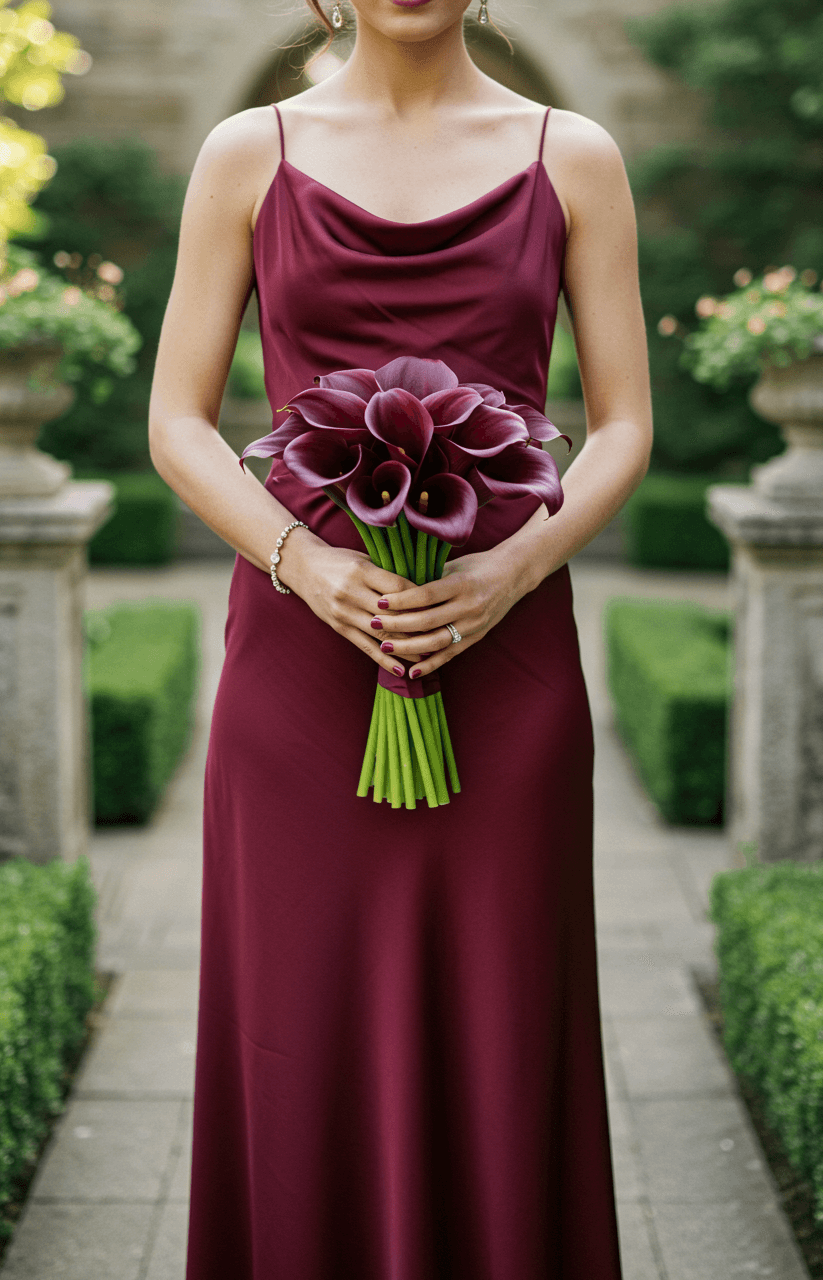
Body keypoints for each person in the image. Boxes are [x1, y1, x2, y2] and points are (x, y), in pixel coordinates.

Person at [149, 0, 652, 1270]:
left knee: (500, 1022)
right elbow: (178, 419)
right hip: (297, 660)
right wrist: (301, 560)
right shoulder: (245, 154)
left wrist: (512, 568)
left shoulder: (571, 153)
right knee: (298, 1021)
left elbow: (626, 422)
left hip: (512, 656)